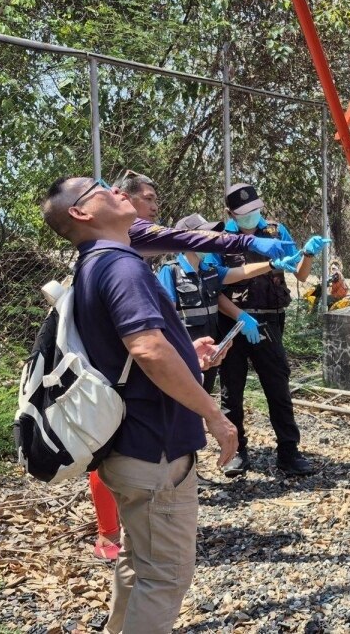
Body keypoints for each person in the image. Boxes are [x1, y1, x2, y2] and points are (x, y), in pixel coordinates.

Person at [40, 175, 237, 634]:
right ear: (81, 213)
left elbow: (129, 349)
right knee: (166, 577)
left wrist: (187, 351)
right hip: (155, 450)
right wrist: (214, 415)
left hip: (129, 448)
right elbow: (148, 350)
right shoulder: (121, 265)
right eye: (101, 187)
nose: (116, 190)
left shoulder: (93, 265)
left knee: (138, 563)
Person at [84, 174, 296, 558]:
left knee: (124, 447)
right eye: (145, 198)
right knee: (107, 445)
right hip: (126, 372)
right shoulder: (123, 260)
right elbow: (150, 342)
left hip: (174, 358)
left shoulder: (130, 245)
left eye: (154, 200)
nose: (153, 207)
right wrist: (213, 414)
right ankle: (111, 532)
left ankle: (134, 529)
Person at [208, 183, 330, 477]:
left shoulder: (275, 232)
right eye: (245, 213)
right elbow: (212, 285)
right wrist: (239, 316)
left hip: (269, 321)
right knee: (231, 391)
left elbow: (299, 273)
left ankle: (289, 452)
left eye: (256, 210)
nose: (253, 216)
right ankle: (237, 451)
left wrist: (308, 254)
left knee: (277, 388)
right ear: (230, 213)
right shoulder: (220, 239)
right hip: (232, 323)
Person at [156, 213, 303, 397]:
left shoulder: (209, 271)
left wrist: (273, 263)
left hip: (208, 353)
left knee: (202, 399)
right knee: (181, 406)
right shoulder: (170, 272)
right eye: (205, 235)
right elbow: (165, 319)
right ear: (187, 239)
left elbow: (242, 272)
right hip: (184, 353)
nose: (210, 241)